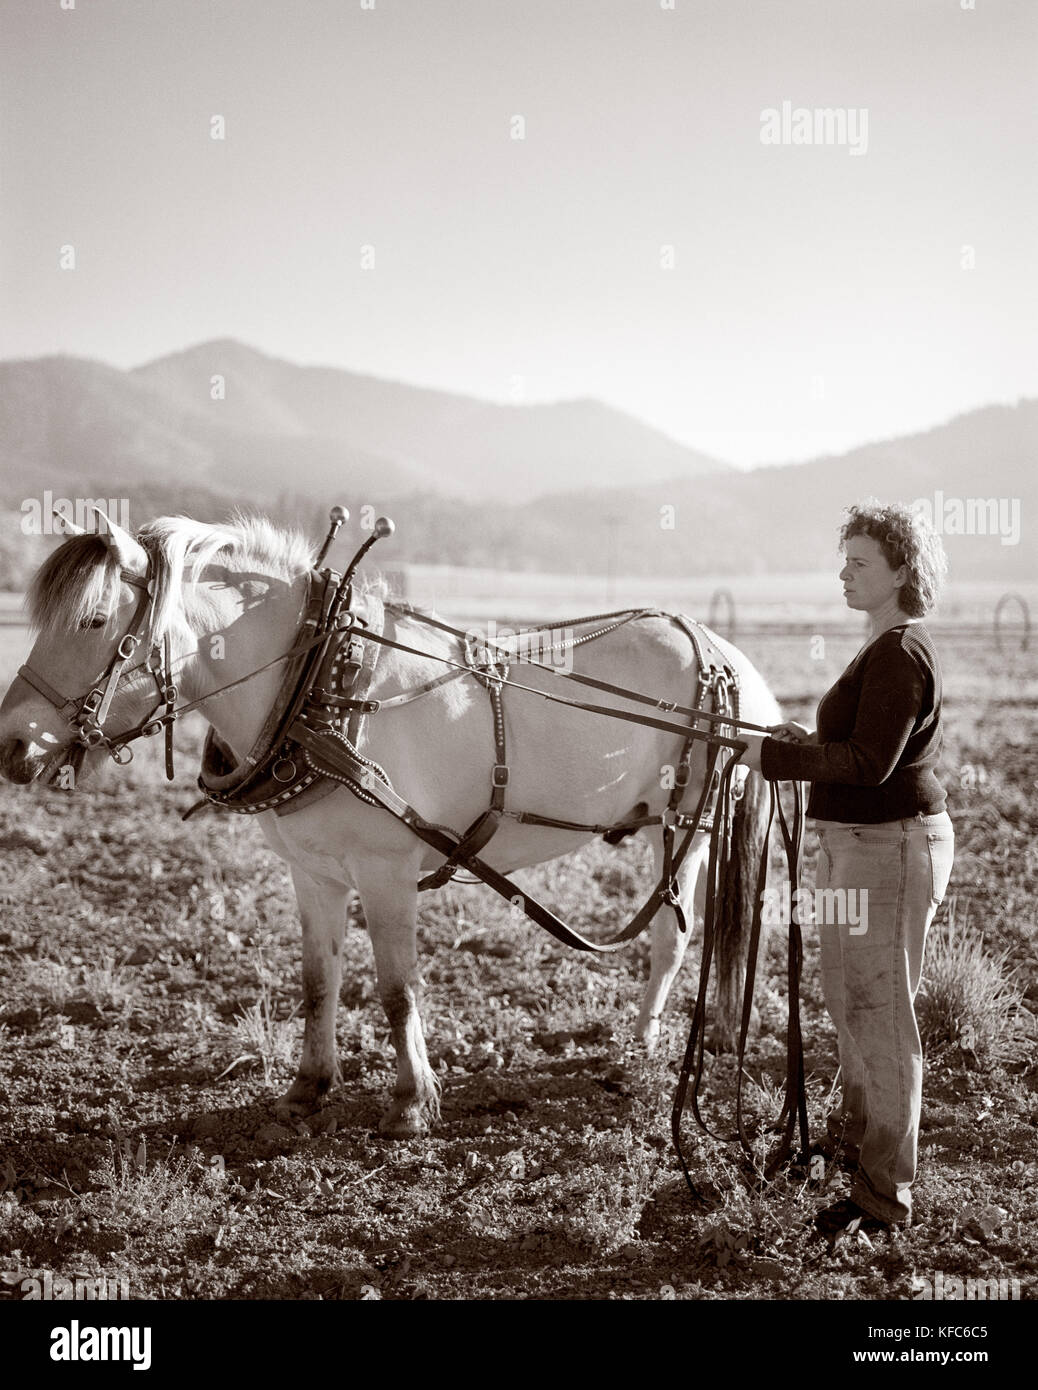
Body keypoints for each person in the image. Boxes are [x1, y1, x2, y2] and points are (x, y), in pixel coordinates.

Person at [737, 500, 954, 1232]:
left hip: (888, 847)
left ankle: (883, 1198)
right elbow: (857, 745)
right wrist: (796, 741)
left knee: (881, 1018)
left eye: (861, 563)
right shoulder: (880, 646)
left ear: (902, 571)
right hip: (861, 845)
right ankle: (861, 1148)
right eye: (845, 560)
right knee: (851, 1000)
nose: (845, 573)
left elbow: (868, 763)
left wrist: (776, 758)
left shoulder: (899, 654)